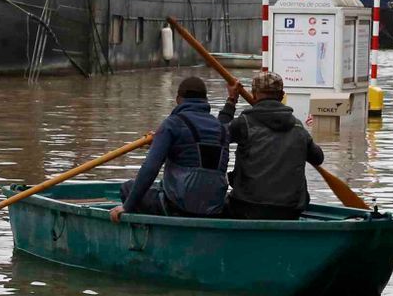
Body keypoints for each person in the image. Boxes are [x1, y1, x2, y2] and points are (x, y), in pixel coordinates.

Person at [109, 76, 228, 221]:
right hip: (214, 209)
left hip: (178, 207)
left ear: (178, 99)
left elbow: (150, 168)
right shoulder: (222, 129)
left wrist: (127, 206)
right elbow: (198, 157)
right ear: (206, 100)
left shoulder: (172, 124)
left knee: (127, 188)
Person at [219, 71, 323, 220]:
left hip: (247, 207)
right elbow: (318, 158)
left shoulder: (244, 124)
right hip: (290, 210)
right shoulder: (298, 127)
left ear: (254, 95)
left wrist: (231, 100)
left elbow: (216, 135)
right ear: (282, 96)